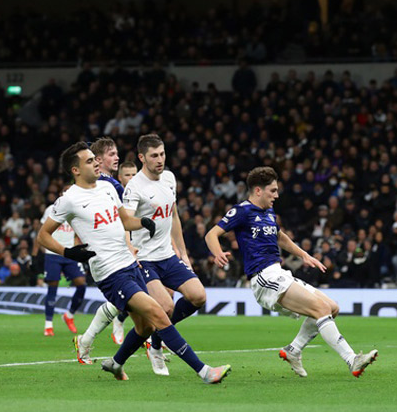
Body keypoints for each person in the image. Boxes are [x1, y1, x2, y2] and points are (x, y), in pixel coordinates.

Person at [38, 142, 230, 383]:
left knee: (146, 327)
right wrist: (68, 252)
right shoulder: (69, 200)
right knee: (158, 312)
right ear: (75, 170)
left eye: (95, 159)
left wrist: (143, 223)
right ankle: (205, 372)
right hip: (109, 272)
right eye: (89, 161)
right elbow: (42, 235)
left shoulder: (107, 189)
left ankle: (116, 363)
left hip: (130, 263)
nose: (96, 163)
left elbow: (125, 221)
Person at [205, 166, 377, 378]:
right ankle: (352, 360)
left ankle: (293, 350)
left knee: (332, 308)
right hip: (263, 278)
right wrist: (217, 253)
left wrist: (304, 254)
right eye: (273, 191)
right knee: (321, 308)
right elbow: (211, 234)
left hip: (279, 273)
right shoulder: (242, 211)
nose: (277, 195)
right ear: (258, 190)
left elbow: (279, 237)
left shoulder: (268, 211)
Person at [122, 134, 206, 376]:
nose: (160, 160)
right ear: (141, 158)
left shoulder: (169, 178)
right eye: (154, 156)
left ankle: (156, 340)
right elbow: (124, 221)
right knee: (166, 307)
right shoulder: (134, 187)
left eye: (162, 154)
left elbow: (174, 215)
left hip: (167, 255)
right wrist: (130, 249)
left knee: (199, 296)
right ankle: (154, 349)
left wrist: (183, 252)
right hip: (144, 258)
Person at [84, 138, 130, 345]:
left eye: (117, 153)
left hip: (117, 250)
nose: (117, 157)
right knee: (144, 298)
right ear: (99, 160)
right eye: (112, 154)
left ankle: (86, 340)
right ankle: (154, 345)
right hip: (114, 253)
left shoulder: (106, 184)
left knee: (141, 298)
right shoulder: (106, 185)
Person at [38, 185, 87, 336]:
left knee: (82, 284)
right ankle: (48, 325)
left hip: (70, 253)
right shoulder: (50, 209)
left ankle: (69, 315)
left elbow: (80, 231)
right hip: (53, 253)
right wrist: (38, 253)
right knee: (52, 287)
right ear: (60, 195)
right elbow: (41, 232)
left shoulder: (77, 209)